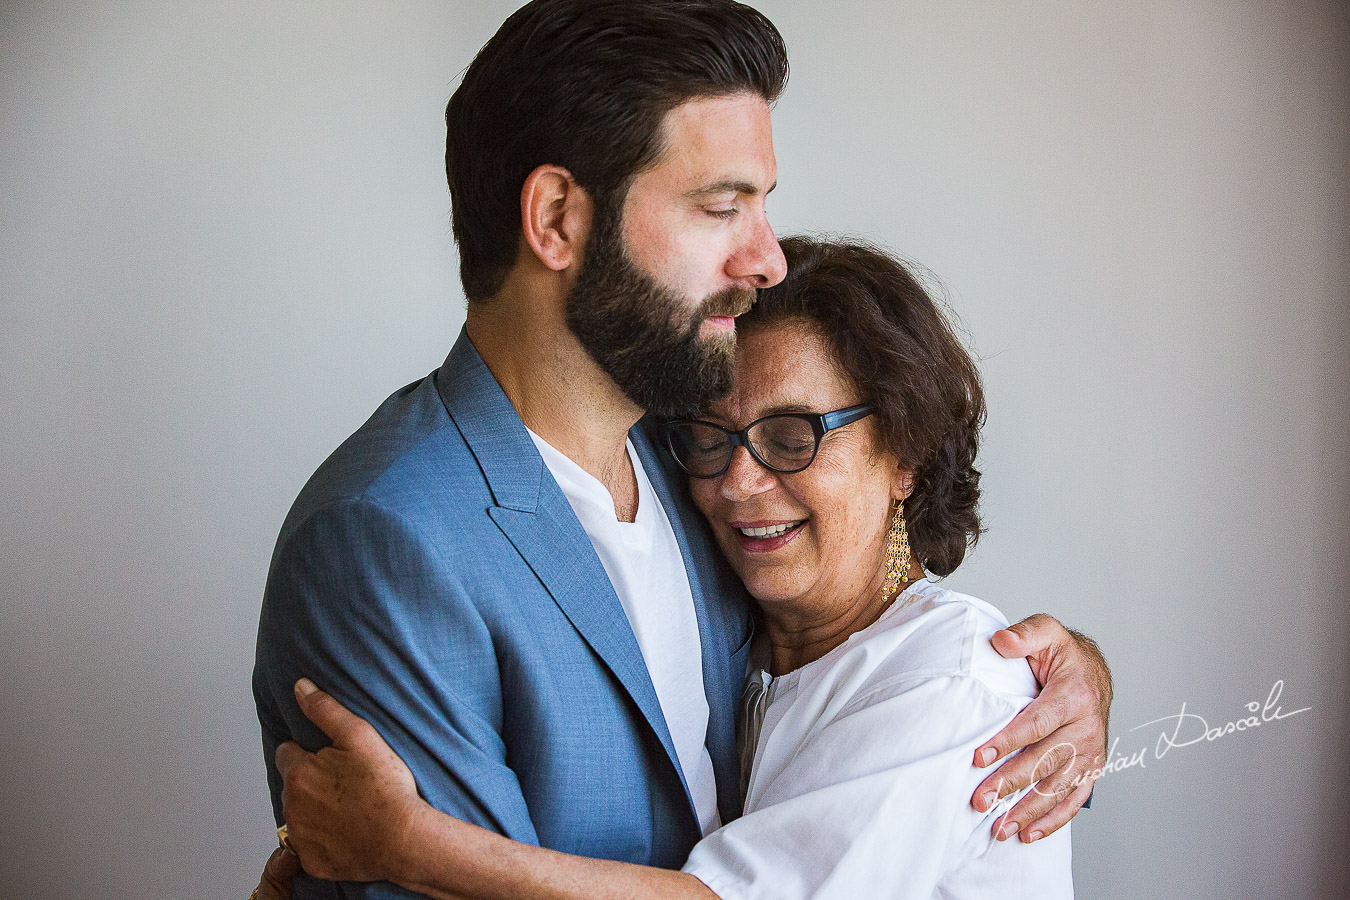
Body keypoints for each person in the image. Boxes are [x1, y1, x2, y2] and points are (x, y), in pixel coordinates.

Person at [252, 1, 1111, 897]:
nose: (766, 258)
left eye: (763, 206)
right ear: (555, 218)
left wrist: (1069, 676)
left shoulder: (695, 471)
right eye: (722, 206)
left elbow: (882, 678)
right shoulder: (385, 541)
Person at [261, 237, 1078, 899]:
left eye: (794, 436)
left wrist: (409, 845)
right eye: (711, 437)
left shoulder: (960, 683)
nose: (738, 482)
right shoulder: (763, 645)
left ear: (904, 451)